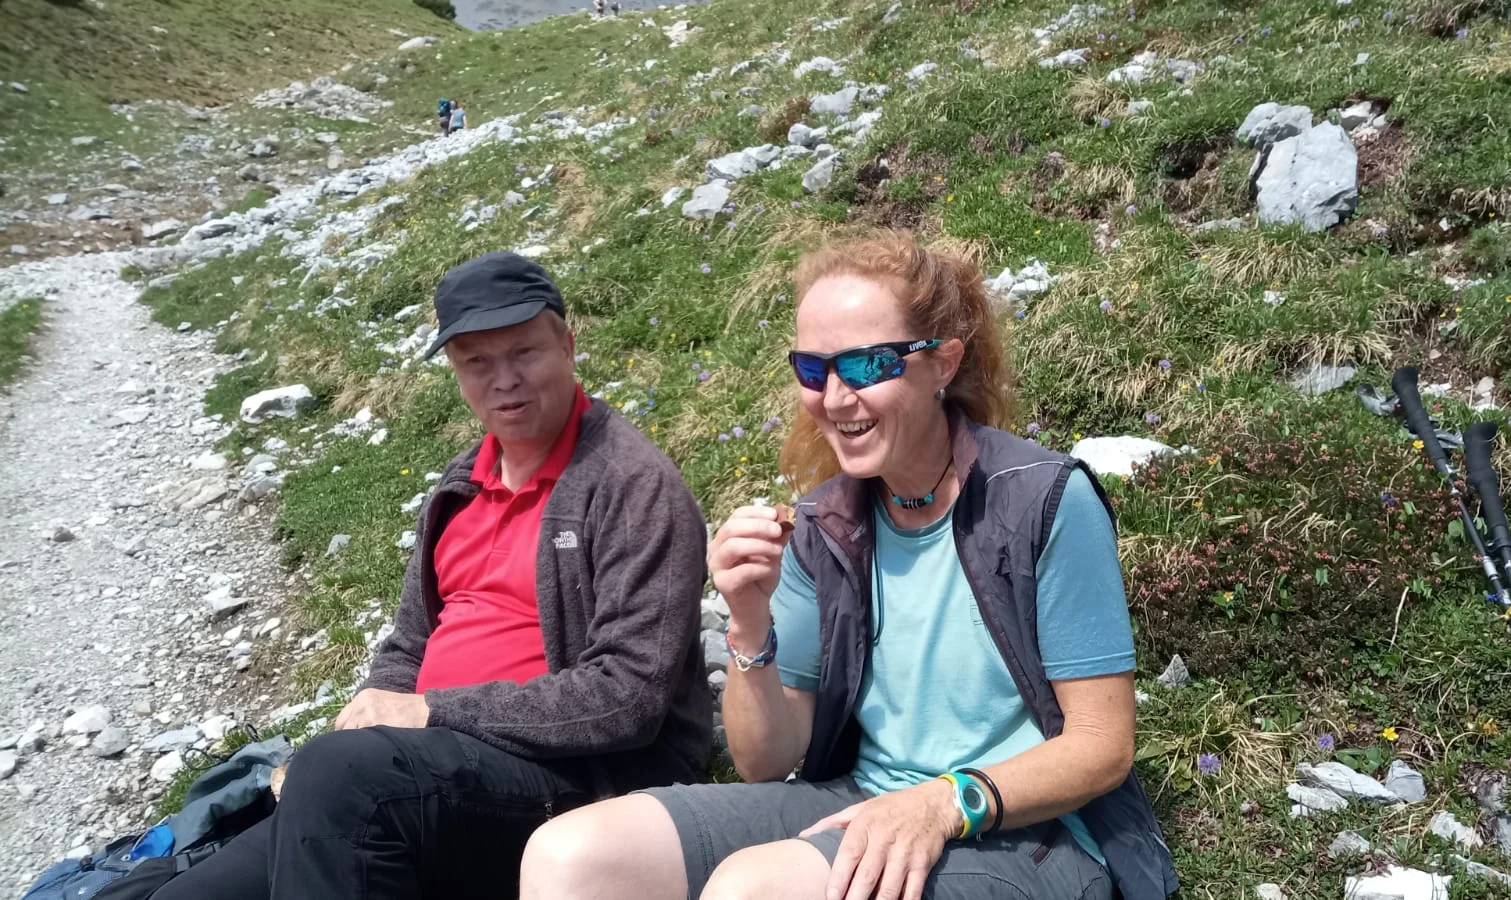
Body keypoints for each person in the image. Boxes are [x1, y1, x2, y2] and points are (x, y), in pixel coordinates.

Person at [521, 233, 1179, 900]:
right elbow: (767, 760)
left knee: (755, 889)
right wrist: (749, 621)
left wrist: (943, 803)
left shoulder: (1044, 500)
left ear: (942, 363)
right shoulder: (826, 524)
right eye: (814, 370)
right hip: (866, 797)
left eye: (866, 366)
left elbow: (1103, 745)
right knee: (570, 855)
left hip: (1033, 829)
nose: (835, 397)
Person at [150, 252, 714, 900]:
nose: (505, 380)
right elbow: (409, 645)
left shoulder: (631, 485)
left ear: (567, 343)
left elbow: (628, 697)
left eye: (525, 351)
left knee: (342, 782)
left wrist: (428, 713)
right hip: (428, 766)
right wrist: (370, 726)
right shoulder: (460, 486)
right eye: (477, 361)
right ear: (455, 369)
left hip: (579, 778)